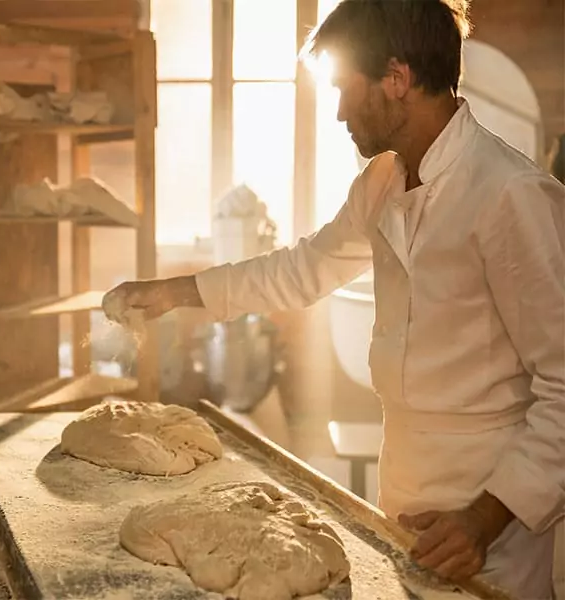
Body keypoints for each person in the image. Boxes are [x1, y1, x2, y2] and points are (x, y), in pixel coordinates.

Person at [102, 0, 565, 598]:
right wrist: (175, 292)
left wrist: (484, 518)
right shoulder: (382, 182)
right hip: (405, 477)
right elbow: (303, 269)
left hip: (492, 509)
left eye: (347, 90)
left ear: (397, 78)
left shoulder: (511, 196)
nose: (340, 112)